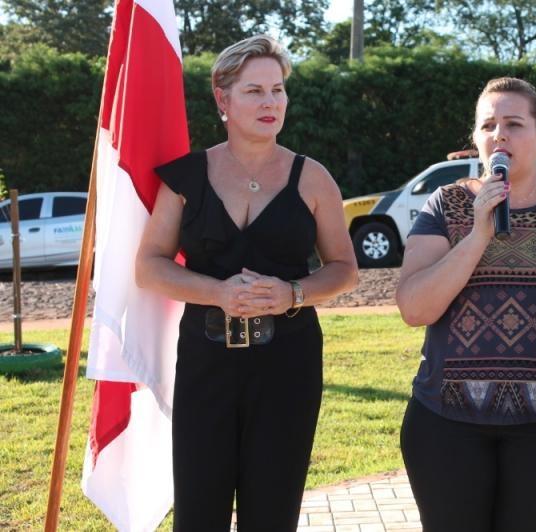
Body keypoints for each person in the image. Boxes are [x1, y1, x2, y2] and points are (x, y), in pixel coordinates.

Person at [135, 35, 358, 531]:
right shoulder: (186, 177)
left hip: (289, 364)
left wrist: (291, 294)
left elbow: (344, 268)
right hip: (206, 362)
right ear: (223, 98)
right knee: (198, 512)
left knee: (273, 511)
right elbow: (149, 266)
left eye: (277, 90)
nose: (270, 102)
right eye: (254, 91)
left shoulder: (313, 177)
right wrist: (217, 292)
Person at [395, 77, 536, 532]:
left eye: (514, 124)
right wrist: (478, 234)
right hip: (446, 425)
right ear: (476, 138)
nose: (499, 135)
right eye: (488, 125)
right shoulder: (446, 205)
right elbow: (415, 309)